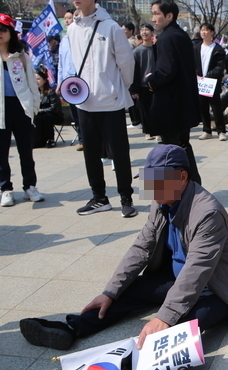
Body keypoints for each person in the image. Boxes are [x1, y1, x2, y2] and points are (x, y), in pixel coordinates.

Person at [19, 144, 228, 350]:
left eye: (157, 181)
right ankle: (72, 328)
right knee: (125, 290)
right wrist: (109, 292)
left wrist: (165, 317)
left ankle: (136, 360)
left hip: (217, 289)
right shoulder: (162, 200)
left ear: (182, 177)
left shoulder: (207, 213)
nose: (151, 189)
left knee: (181, 325)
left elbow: (197, 270)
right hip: (175, 279)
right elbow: (141, 248)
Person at [69, 0, 137, 217]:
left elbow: (127, 64)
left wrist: (116, 87)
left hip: (111, 102)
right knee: (90, 153)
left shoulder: (111, 27)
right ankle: (99, 197)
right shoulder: (71, 29)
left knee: (119, 153)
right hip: (84, 101)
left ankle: (126, 197)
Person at [0, 13, 44, 207]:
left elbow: (32, 83)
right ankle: (5, 189)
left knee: (26, 152)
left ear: (11, 32)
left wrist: (34, 106)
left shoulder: (21, 55)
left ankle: (30, 186)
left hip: (21, 107)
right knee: (0, 153)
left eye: (3, 29)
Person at [147, 0, 202, 185]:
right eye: (152, 13)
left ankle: (173, 192)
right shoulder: (181, 35)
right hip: (183, 103)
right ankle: (193, 186)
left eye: (156, 13)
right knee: (182, 145)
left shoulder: (166, 38)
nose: (153, 18)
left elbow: (166, 71)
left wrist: (150, 80)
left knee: (170, 150)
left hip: (170, 104)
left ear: (169, 16)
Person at [195, 23, 228, 141]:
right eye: (202, 30)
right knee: (202, 107)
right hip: (200, 82)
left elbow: (220, 66)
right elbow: (193, 64)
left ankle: (221, 131)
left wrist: (208, 75)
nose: (204, 32)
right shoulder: (196, 48)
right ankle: (207, 130)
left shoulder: (218, 49)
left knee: (216, 107)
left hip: (212, 82)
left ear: (212, 32)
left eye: (206, 30)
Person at [57, 9, 83, 151]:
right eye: (65, 18)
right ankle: (82, 139)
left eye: (70, 17)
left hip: (81, 79)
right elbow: (61, 63)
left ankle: (90, 139)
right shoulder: (64, 40)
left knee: (83, 111)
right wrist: (60, 82)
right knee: (74, 112)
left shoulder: (81, 37)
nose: (67, 21)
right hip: (68, 80)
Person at [130, 23, 156, 140]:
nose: (144, 32)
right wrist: (134, 89)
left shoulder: (157, 49)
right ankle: (148, 131)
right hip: (143, 85)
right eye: (142, 30)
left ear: (152, 32)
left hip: (157, 84)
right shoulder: (136, 51)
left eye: (147, 30)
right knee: (145, 110)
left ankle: (158, 131)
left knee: (157, 109)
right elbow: (134, 71)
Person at [34, 69, 64, 148]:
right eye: (34, 79)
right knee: (36, 118)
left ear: (44, 80)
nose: (36, 81)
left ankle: (51, 139)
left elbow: (54, 108)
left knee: (46, 117)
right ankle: (38, 140)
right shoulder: (35, 92)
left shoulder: (51, 92)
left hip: (54, 115)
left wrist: (41, 111)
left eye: (38, 79)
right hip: (40, 115)